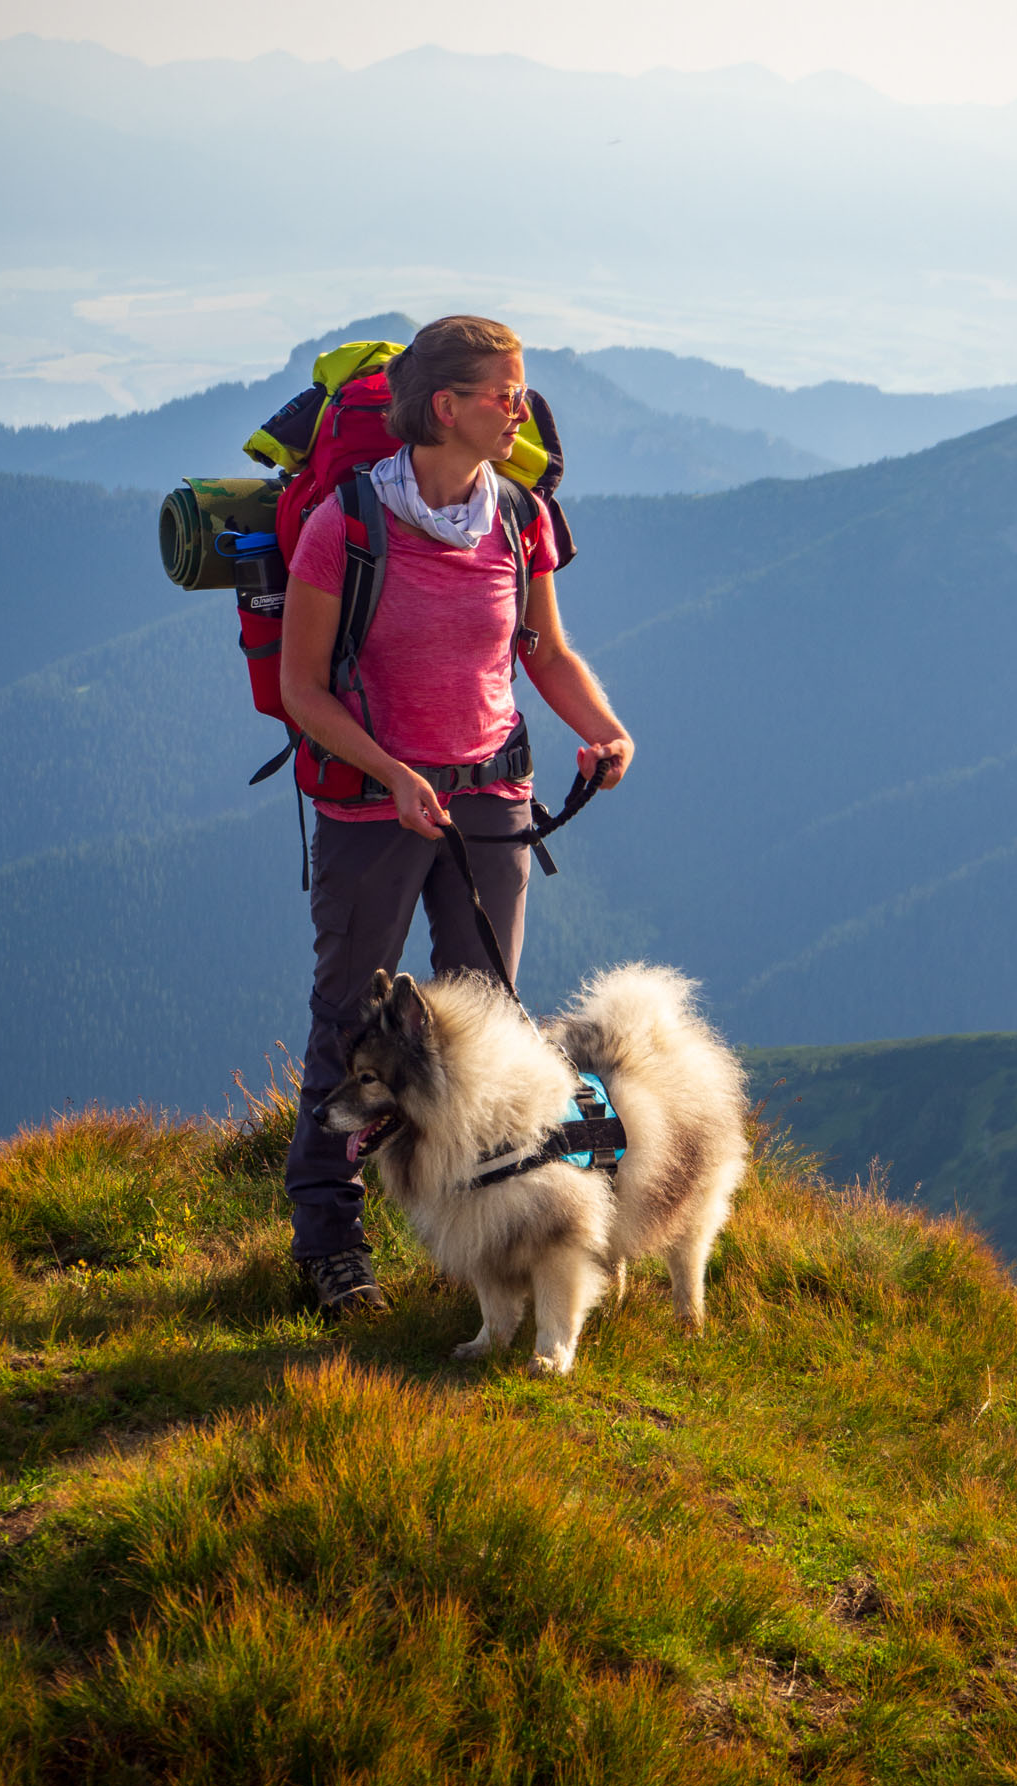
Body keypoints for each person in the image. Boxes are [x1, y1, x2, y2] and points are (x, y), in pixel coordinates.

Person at [279, 314, 634, 1316]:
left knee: (483, 1020)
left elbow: (544, 653)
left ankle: (498, 1236)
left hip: (489, 792)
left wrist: (606, 732)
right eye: (502, 393)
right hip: (369, 802)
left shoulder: (517, 516)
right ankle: (329, 1240)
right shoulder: (342, 523)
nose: (521, 409)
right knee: (352, 1016)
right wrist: (391, 773)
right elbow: (305, 689)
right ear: (445, 407)